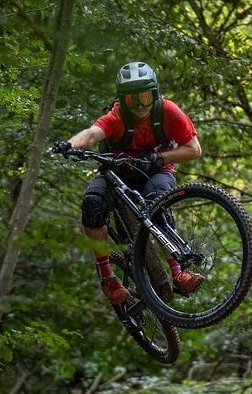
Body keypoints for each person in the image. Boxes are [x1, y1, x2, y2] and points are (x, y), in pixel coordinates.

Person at [54, 61, 204, 307]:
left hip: (156, 171)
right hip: (117, 173)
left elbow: (194, 149)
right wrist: (71, 145)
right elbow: (92, 133)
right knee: (93, 204)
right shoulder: (116, 117)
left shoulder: (167, 112)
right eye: (133, 99)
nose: (141, 105)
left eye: (146, 97)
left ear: (154, 93)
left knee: (158, 201)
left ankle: (179, 272)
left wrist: (157, 157)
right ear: (123, 100)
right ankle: (107, 278)